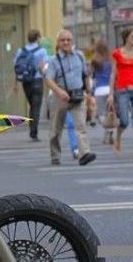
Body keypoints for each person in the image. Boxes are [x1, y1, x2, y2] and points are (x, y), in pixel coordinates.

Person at [44, 29, 96, 166]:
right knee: (55, 129)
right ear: (58, 43)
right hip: (60, 98)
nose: (66, 42)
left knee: (81, 125)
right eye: (63, 40)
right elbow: (49, 79)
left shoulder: (79, 55)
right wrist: (59, 91)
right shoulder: (54, 60)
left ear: (72, 41)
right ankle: (55, 156)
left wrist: (89, 93)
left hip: (78, 96)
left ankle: (84, 153)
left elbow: (85, 75)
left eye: (68, 40)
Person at [108, 26, 133, 159]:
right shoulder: (117, 53)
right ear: (126, 38)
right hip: (122, 90)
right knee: (124, 121)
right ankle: (118, 136)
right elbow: (113, 74)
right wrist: (111, 94)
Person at [13, 29, 49, 142]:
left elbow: (16, 67)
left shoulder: (21, 50)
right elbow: (44, 68)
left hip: (25, 82)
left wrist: (15, 84)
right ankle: (34, 133)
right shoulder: (42, 51)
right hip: (37, 80)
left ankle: (32, 130)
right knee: (36, 107)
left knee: (31, 105)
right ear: (37, 38)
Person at [90, 39, 113, 144]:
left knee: (101, 114)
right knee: (110, 113)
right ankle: (109, 133)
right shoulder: (111, 60)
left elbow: (89, 73)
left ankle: (107, 131)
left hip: (99, 90)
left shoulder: (95, 61)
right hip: (110, 89)